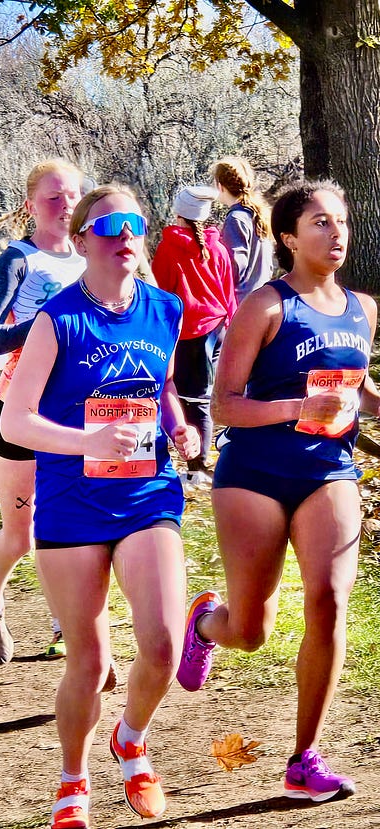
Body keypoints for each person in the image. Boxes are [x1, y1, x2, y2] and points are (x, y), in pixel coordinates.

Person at [1, 184, 201, 827]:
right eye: (109, 225)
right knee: (87, 662)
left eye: (134, 224)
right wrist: (85, 440)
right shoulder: (58, 320)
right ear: (83, 239)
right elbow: (15, 420)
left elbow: (163, 387)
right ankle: (73, 777)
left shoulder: (165, 309)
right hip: (70, 505)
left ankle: (132, 739)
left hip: (146, 494)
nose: (124, 236)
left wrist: (179, 427)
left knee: (165, 643)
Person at [177, 180, 380, 802]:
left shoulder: (363, 309)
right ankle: (208, 626)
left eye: (340, 222)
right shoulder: (265, 307)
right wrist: (297, 406)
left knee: (328, 601)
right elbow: (226, 405)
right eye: (320, 222)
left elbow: (355, 390)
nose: (336, 233)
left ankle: (304, 758)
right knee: (253, 629)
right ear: (289, 237)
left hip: (329, 472)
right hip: (255, 479)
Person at [0, 159, 88, 665]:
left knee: (70, 523)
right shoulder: (18, 260)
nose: (64, 207)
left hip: (78, 413)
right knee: (20, 534)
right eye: (52, 198)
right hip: (19, 408)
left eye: (72, 196)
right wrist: (48, 323)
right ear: (30, 206)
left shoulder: (97, 256)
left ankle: (70, 626)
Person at [152, 185, 236, 483]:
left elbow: (161, 292)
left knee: (190, 397)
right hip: (218, 328)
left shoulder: (168, 248)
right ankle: (198, 458)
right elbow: (229, 294)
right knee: (203, 395)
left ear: (179, 214)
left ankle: (197, 467)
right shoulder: (219, 247)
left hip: (188, 334)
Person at [211, 156, 274, 303]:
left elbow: (235, 268)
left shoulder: (236, 219)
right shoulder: (257, 214)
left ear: (220, 186)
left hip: (243, 304)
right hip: (263, 297)